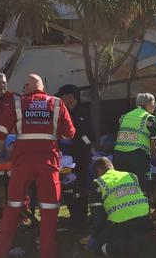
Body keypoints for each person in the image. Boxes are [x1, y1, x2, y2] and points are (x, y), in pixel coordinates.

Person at [0, 74, 75, 258]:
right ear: (43, 87)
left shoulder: (16, 104)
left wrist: (1, 152)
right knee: (49, 209)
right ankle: (48, 253)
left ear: (26, 87)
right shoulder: (57, 103)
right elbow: (69, 134)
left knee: (13, 207)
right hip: (48, 163)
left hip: (21, 162)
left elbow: (1, 134)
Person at [86, 157, 151, 257]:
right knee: (131, 232)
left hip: (120, 222)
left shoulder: (98, 183)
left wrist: (95, 236)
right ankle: (138, 242)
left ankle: (123, 247)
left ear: (98, 170)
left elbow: (98, 217)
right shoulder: (131, 175)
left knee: (98, 248)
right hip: (144, 219)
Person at [56, 84, 94, 229]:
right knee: (67, 188)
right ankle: (74, 216)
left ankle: (81, 219)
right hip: (66, 159)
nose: (60, 98)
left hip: (80, 159)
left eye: (62, 95)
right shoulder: (65, 113)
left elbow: (90, 137)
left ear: (70, 96)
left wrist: (79, 144)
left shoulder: (82, 113)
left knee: (80, 189)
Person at [112, 93, 156, 194]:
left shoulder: (124, 116)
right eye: (154, 103)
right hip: (137, 156)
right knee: (141, 187)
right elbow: (153, 142)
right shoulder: (149, 119)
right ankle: (141, 207)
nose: (155, 106)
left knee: (122, 186)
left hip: (118, 155)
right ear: (148, 104)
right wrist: (153, 156)